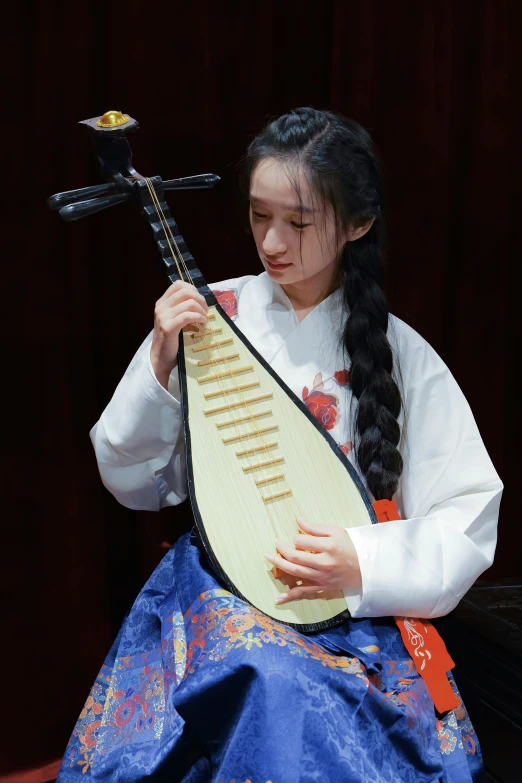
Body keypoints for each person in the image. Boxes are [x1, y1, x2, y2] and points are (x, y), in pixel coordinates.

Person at [57, 108, 502, 783]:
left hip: (354, 612)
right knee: (268, 677)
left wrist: (361, 560)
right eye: (258, 215)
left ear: (357, 223)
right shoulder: (209, 319)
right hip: (223, 592)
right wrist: (158, 358)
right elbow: (135, 478)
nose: (271, 242)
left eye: (297, 223)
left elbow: (467, 516)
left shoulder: (400, 353)